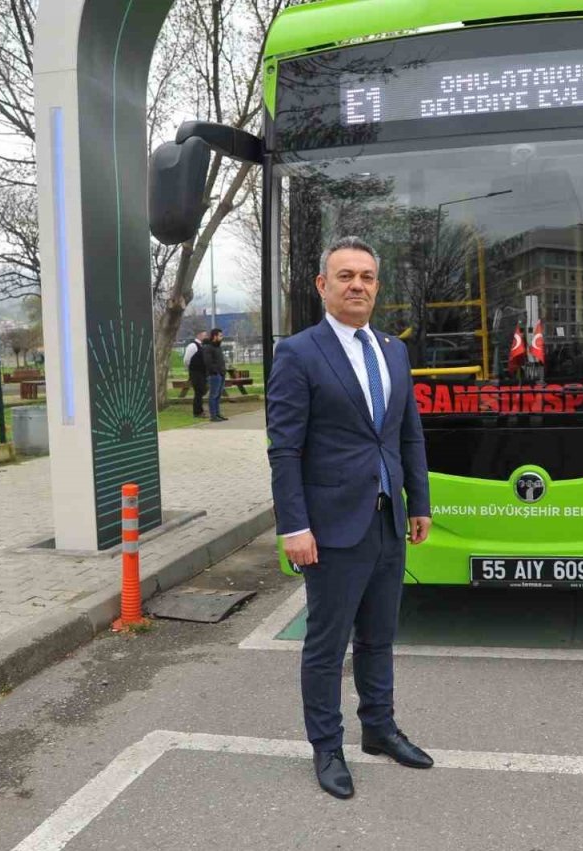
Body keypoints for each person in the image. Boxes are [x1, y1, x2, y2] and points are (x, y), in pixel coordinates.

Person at [266, 235, 433, 800]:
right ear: (322, 285)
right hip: (331, 526)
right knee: (326, 644)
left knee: (379, 637)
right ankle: (327, 747)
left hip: (388, 521)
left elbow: (407, 433)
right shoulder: (299, 352)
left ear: (376, 286)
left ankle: (379, 730)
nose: (357, 285)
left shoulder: (393, 350)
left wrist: (420, 503)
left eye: (366, 276)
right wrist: (294, 526)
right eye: (345, 276)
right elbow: (285, 448)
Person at [204, 327, 228, 422]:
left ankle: (218, 414)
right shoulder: (209, 348)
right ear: (215, 336)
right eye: (220, 336)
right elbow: (208, 362)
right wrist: (215, 371)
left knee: (218, 395)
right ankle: (213, 415)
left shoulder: (218, 347)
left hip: (221, 374)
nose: (222, 337)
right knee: (213, 395)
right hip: (215, 375)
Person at [183, 330, 209, 418]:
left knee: (202, 391)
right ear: (199, 335)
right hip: (196, 372)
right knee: (198, 392)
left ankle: (199, 409)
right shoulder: (192, 346)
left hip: (202, 372)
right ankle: (197, 412)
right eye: (204, 335)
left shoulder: (203, 346)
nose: (206, 337)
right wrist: (191, 370)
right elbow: (187, 360)